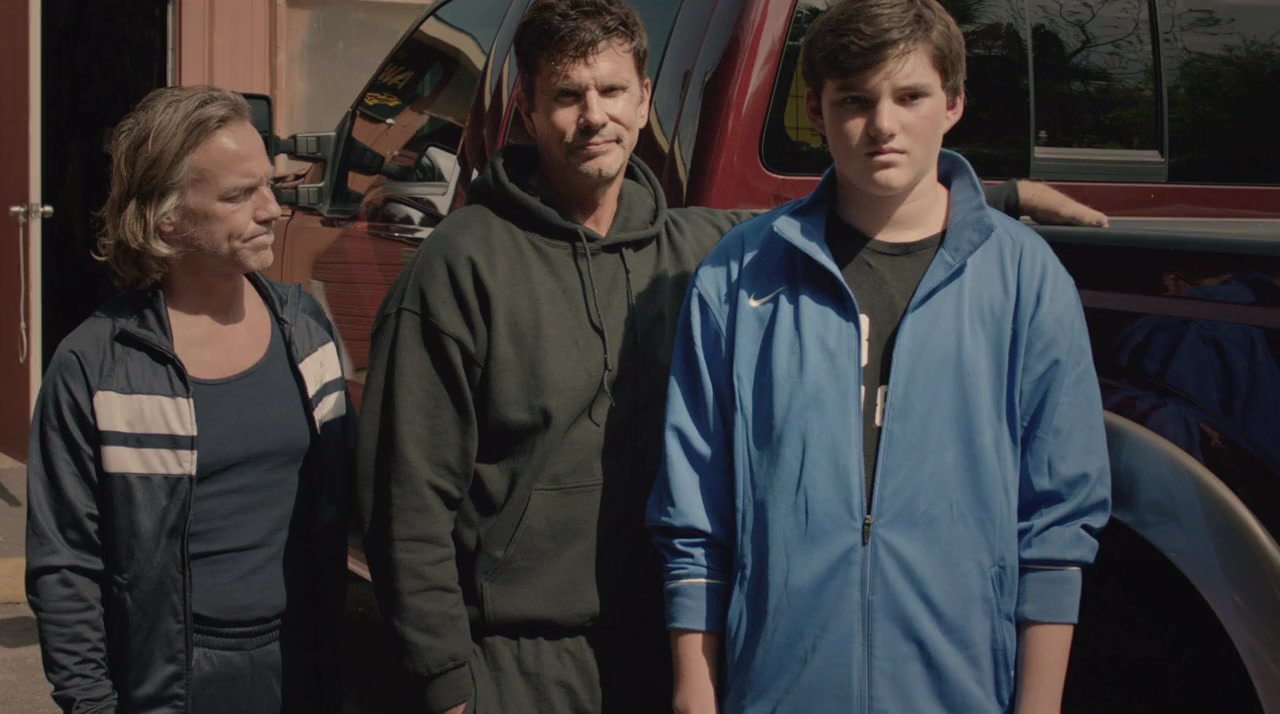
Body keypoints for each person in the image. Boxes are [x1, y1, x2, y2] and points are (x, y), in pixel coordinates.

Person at [357, 2, 1111, 713]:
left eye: (612, 91)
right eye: (566, 96)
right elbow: (407, 498)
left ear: (645, 100)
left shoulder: (700, 247)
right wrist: (446, 681)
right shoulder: (466, 266)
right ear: (525, 110)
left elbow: (874, 207)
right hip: (519, 663)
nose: (594, 116)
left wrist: (1001, 198)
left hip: (669, 648)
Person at [646, 1, 1112, 712]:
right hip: (776, 689)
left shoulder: (1025, 279)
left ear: (953, 103)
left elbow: (1057, 522)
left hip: (958, 690)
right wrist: (695, 689)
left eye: (911, 96)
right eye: (855, 100)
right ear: (816, 108)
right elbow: (694, 508)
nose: (883, 124)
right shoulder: (737, 276)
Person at [26, 85, 352, 714]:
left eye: (269, 185)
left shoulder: (306, 329)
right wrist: (90, 703)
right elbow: (65, 563)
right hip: (173, 683)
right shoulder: (98, 366)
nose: (271, 210)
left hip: (300, 665)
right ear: (166, 217)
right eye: (238, 195)